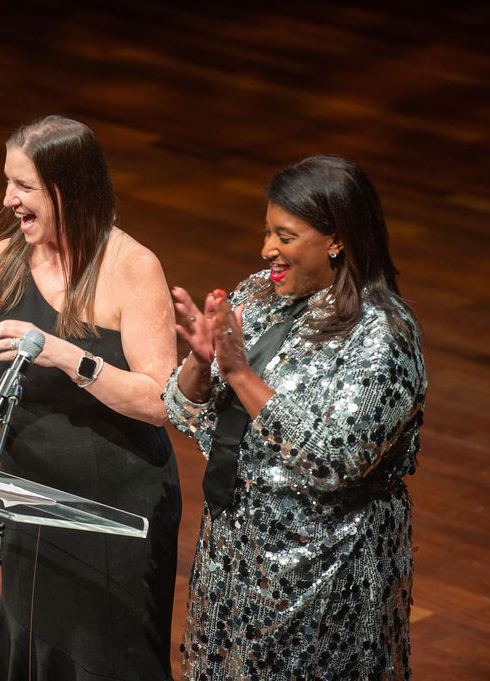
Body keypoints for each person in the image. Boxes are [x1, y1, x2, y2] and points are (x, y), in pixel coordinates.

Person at [0, 115, 182, 681]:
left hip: (117, 501)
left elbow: (161, 402)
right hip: (27, 492)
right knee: (34, 646)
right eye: (8, 182)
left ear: (68, 189)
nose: (8, 198)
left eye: (24, 186)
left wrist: (68, 356)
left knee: (109, 656)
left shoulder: (132, 268)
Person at [165, 155, 427, 680]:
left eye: (284, 236)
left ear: (337, 239)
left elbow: (334, 459)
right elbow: (186, 413)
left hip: (326, 566)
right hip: (236, 550)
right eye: (267, 232)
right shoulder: (259, 294)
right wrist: (200, 361)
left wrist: (238, 372)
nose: (267, 251)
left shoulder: (384, 337)